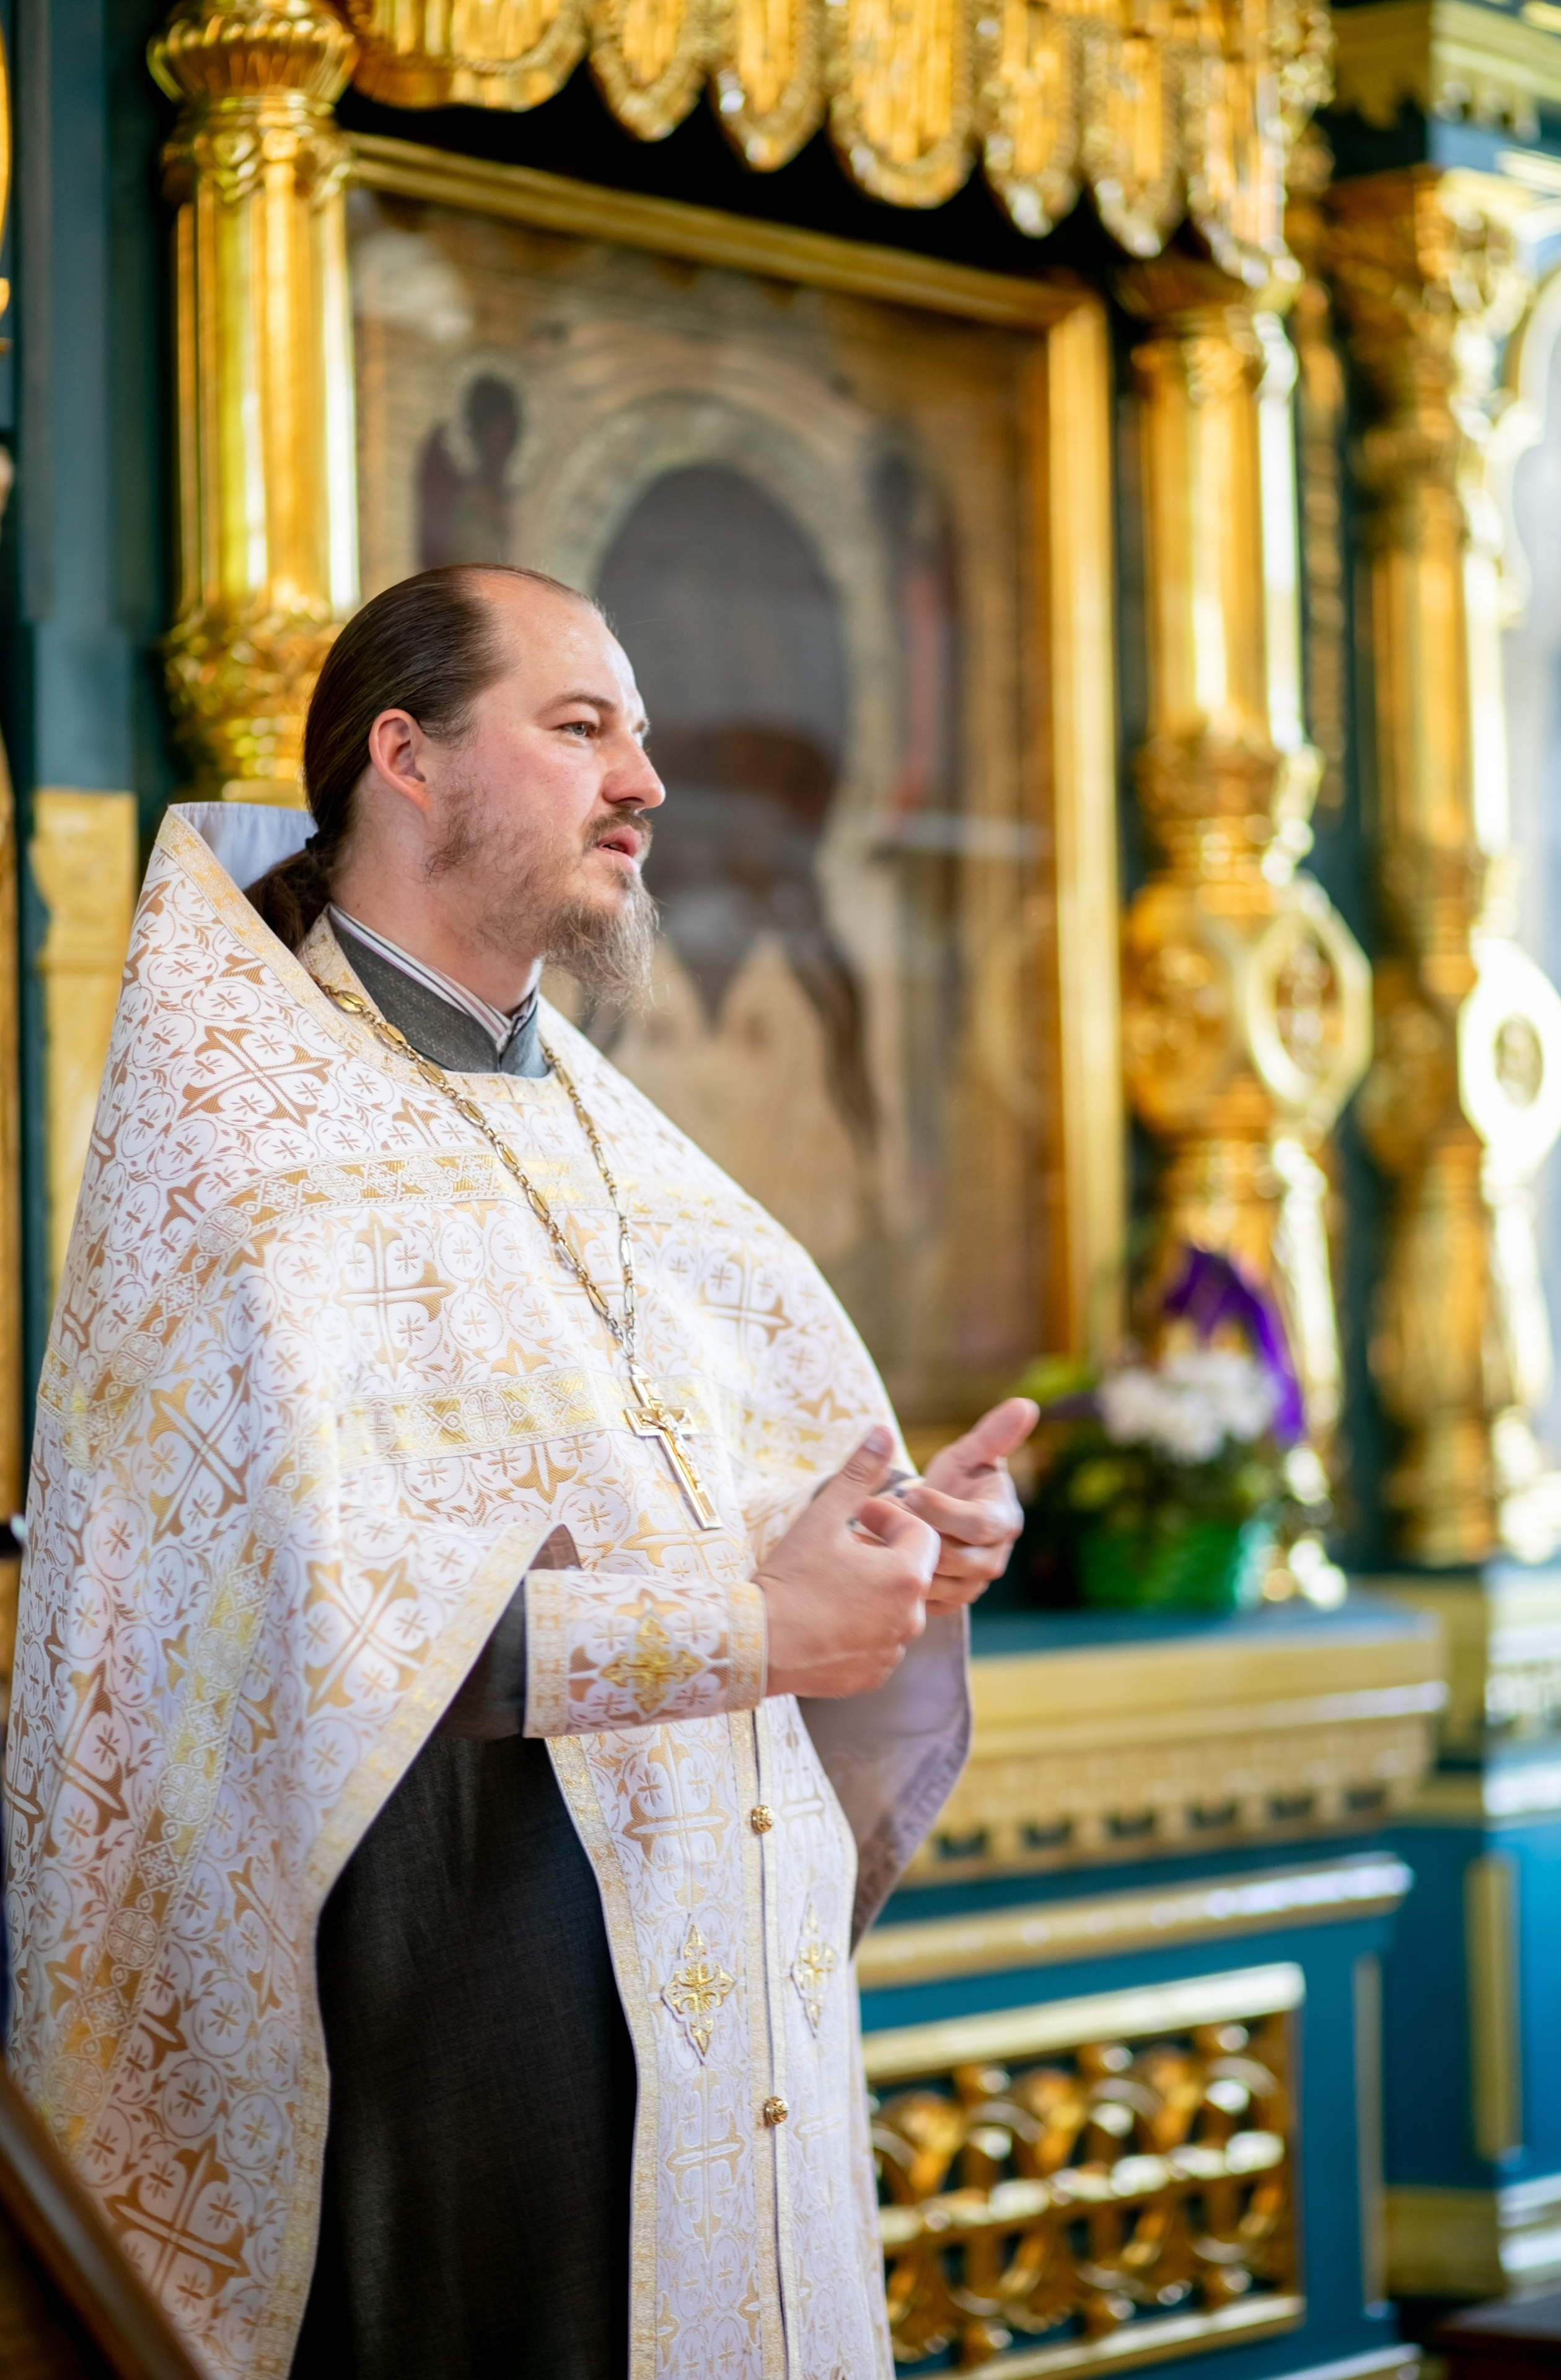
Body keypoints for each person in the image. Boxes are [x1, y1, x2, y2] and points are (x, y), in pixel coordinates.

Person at [4, 565, 1034, 2380]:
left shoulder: (595, 1122)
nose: (643, 777)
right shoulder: (258, 1156)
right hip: (454, 1994)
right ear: (405, 755)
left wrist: (884, 1544)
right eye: (581, 729)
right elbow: (311, 1644)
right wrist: (756, 1628)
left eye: (637, 732)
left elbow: (714, 1513)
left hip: (713, 1978)